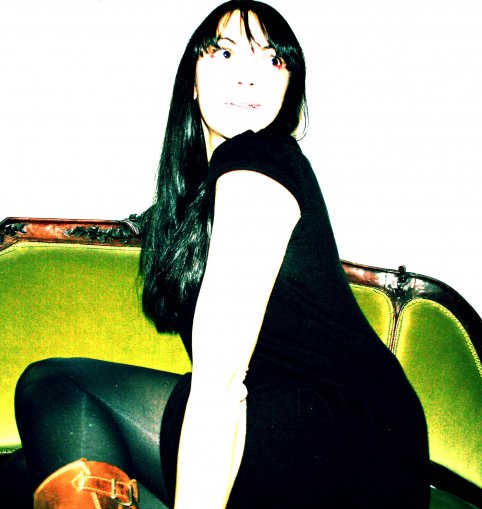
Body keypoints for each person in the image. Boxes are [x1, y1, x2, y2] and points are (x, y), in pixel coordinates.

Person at [12, 1, 430, 507]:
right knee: (25, 468)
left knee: (55, 387)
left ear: (289, 89)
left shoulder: (256, 161)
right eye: (225, 53)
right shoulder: (201, 199)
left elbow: (220, 384)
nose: (248, 76)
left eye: (273, 59)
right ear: (192, 79)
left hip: (336, 438)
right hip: (359, 452)